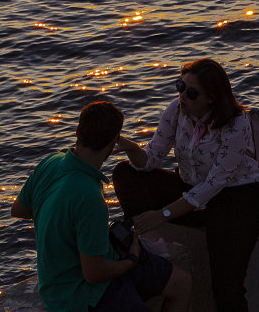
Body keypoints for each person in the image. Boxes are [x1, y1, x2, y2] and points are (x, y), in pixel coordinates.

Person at [112, 59, 259, 312]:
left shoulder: (237, 126)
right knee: (125, 173)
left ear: (212, 98)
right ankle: (151, 245)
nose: (182, 95)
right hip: (189, 187)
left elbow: (213, 185)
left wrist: (160, 216)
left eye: (191, 93)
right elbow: (152, 158)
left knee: (227, 287)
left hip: (235, 199)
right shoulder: (177, 110)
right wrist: (131, 148)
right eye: (180, 87)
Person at [11, 100, 192, 312]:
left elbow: (19, 210)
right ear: (114, 142)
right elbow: (93, 274)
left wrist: (60, 223)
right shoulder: (89, 197)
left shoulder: (51, 162)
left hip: (99, 263)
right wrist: (131, 261)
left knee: (181, 283)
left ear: (78, 131)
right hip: (80, 293)